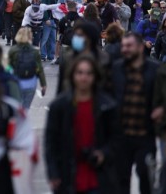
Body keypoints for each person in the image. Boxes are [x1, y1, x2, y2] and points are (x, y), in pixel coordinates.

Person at [45, 55, 119, 193]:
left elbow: (115, 139)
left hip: (98, 177)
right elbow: (51, 143)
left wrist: (103, 153)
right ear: (72, 75)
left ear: (95, 76)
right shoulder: (59, 107)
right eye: (79, 73)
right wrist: (53, 173)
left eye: (89, 73)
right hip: (69, 174)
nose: (84, 78)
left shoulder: (107, 106)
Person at [108, 32, 159, 194]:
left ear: (139, 47)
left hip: (145, 135)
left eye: (129, 46)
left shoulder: (155, 69)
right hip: (121, 136)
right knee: (121, 179)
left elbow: (164, 95)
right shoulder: (116, 68)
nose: (125, 49)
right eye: (123, 46)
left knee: (146, 177)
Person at [8, 27, 47, 109]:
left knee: (16, 107)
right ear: (30, 37)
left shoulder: (13, 50)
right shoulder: (35, 51)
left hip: (16, 82)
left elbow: (8, 68)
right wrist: (43, 85)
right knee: (25, 107)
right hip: (31, 83)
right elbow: (40, 69)